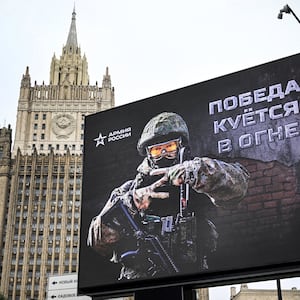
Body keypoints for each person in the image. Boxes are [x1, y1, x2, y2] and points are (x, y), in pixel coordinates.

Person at [87, 112, 250, 280]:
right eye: (157, 150)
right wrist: (130, 203)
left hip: (188, 277)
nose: (164, 153)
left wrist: (197, 172)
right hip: (140, 281)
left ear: (180, 147)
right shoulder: (128, 190)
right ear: (149, 154)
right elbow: (97, 242)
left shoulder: (196, 180)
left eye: (170, 148)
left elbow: (238, 187)